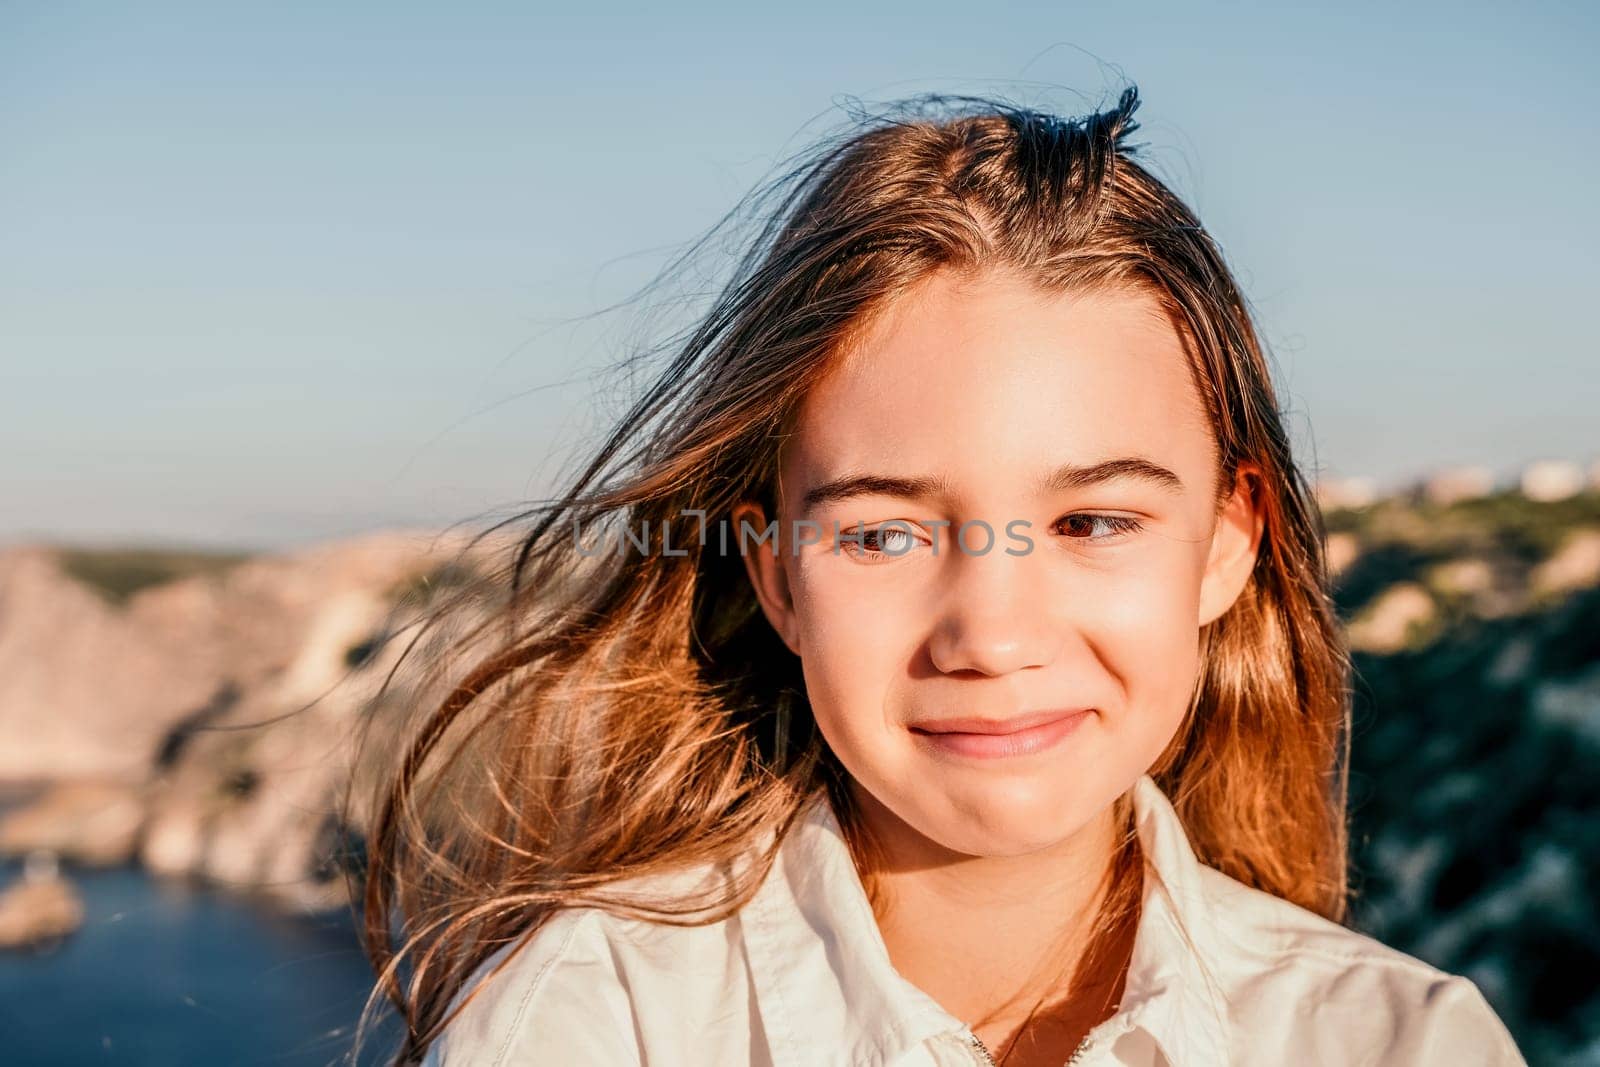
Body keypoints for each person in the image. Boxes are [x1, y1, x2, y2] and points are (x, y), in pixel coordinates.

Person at [354, 84, 1527, 1066]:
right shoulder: (593, 1020)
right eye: (881, 534)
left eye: (1092, 520)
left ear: (1227, 542)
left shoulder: (1399, 1041)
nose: (991, 632)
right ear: (776, 579)